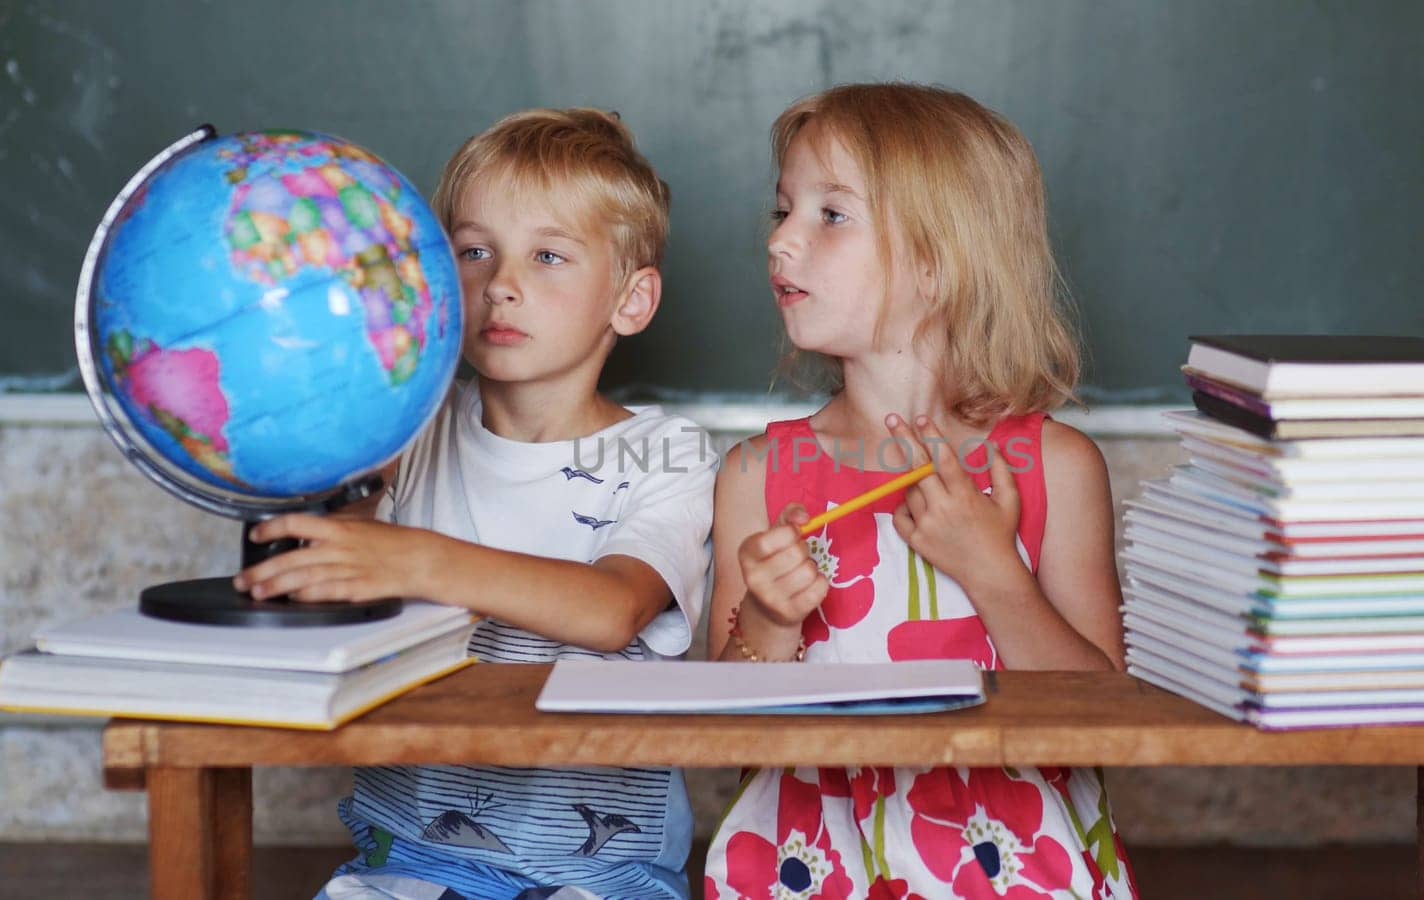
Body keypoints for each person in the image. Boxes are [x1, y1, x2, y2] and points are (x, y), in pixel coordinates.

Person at [235, 108, 714, 900]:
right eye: (473, 251)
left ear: (631, 300)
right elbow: (325, 574)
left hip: (601, 871)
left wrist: (420, 558)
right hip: (411, 859)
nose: (502, 285)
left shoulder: (669, 454)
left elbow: (612, 610)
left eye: (549, 255)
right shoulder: (408, 432)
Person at [702, 83, 1139, 898]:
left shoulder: (1056, 467)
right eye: (783, 211)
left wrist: (992, 570)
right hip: (805, 868)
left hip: (1016, 871)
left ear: (939, 264)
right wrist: (768, 617)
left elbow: (1102, 719)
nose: (781, 243)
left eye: (830, 216)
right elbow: (727, 734)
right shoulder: (756, 476)